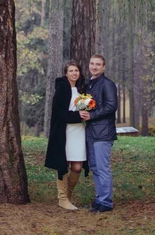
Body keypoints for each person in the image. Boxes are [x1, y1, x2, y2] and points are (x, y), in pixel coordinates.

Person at [45, 61, 89, 210]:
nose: (74, 73)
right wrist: (77, 116)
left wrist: (87, 111)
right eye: (71, 71)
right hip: (64, 132)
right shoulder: (62, 88)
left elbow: (84, 107)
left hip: (79, 132)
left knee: (77, 167)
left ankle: (68, 195)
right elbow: (58, 111)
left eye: (76, 70)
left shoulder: (82, 88)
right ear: (66, 73)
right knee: (63, 165)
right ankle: (62, 199)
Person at [80, 54, 118, 213]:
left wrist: (92, 115)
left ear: (103, 67)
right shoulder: (88, 84)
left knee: (102, 168)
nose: (94, 67)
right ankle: (100, 199)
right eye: (92, 64)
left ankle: (106, 203)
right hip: (91, 132)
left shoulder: (107, 84)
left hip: (103, 133)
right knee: (95, 167)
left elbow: (111, 106)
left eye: (98, 64)